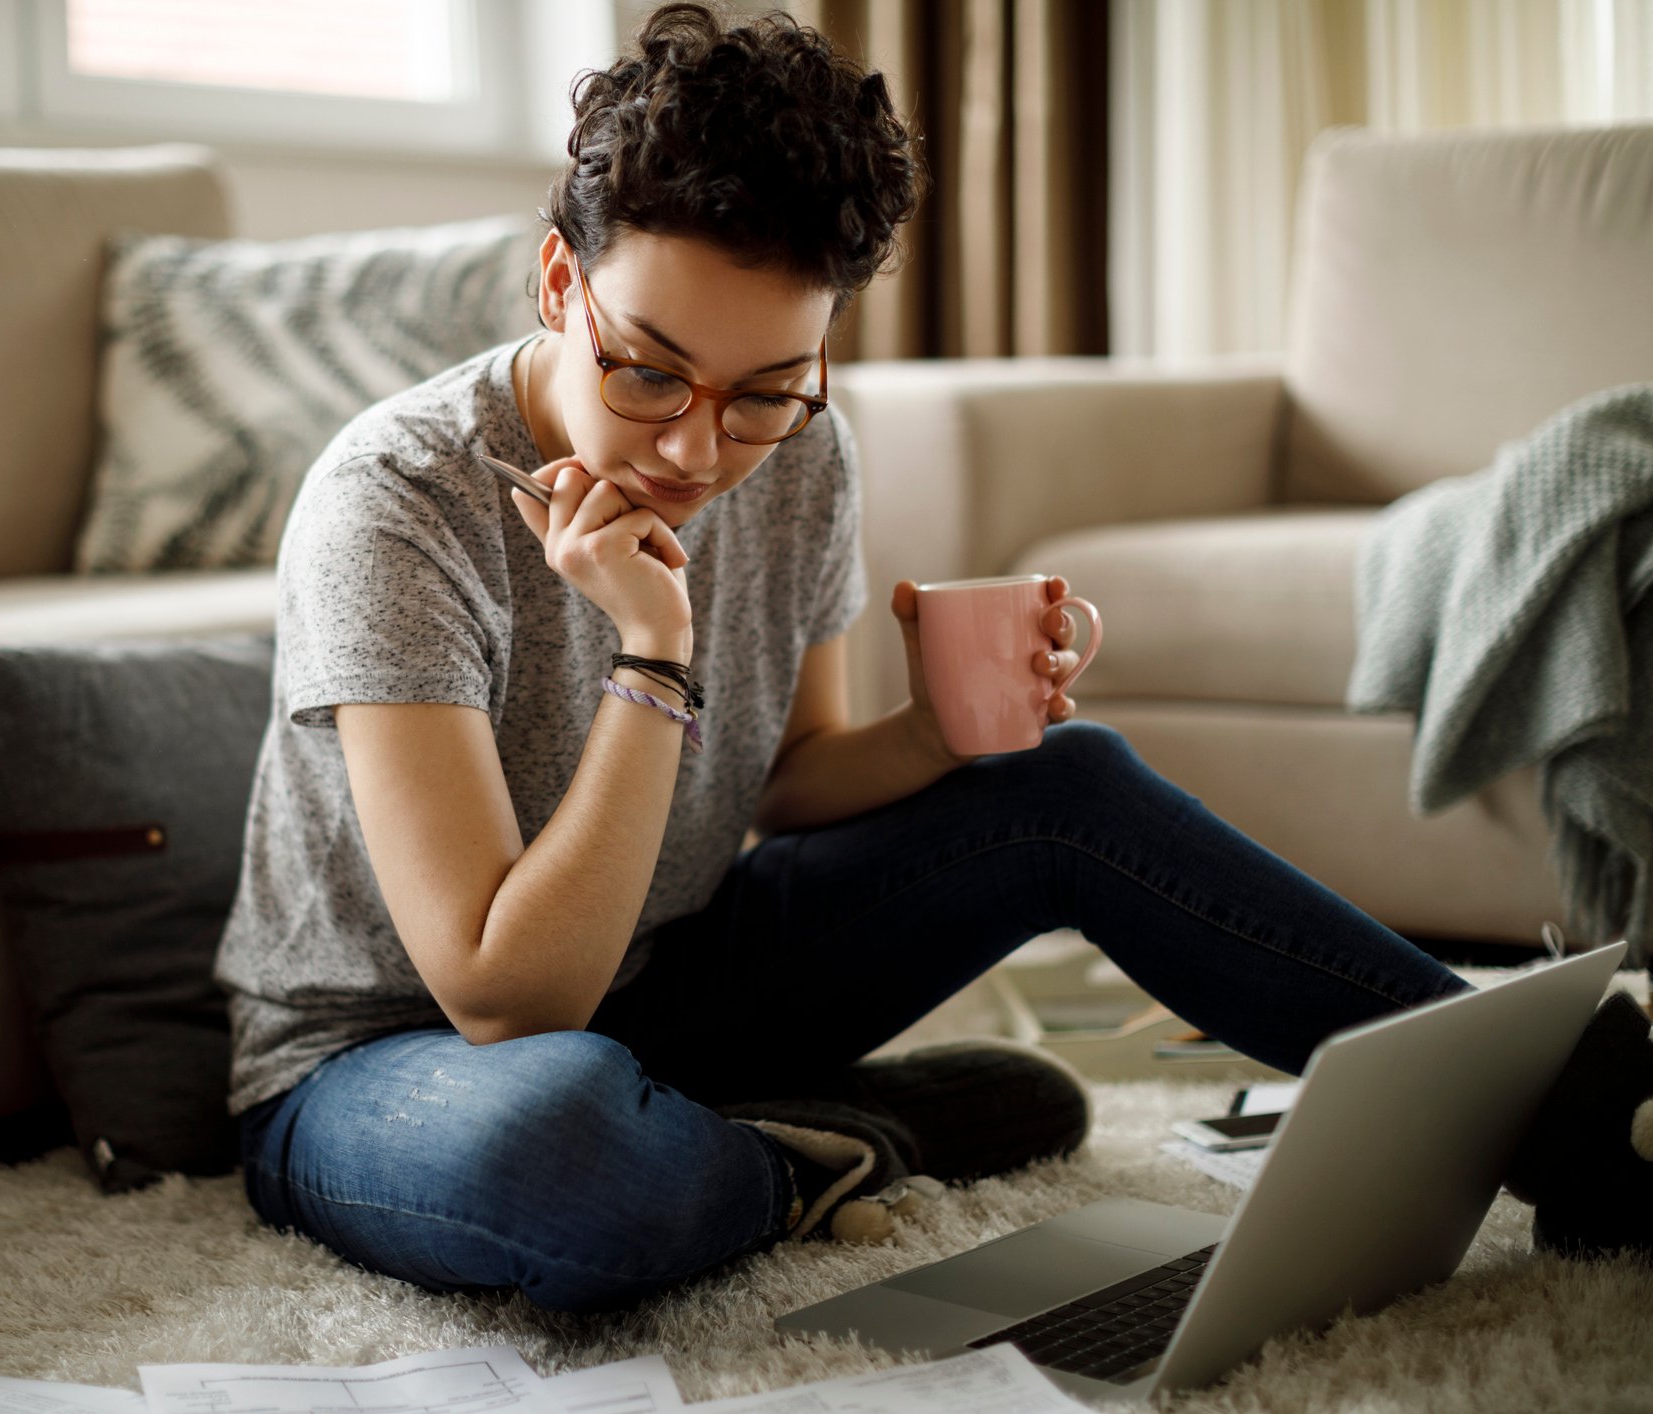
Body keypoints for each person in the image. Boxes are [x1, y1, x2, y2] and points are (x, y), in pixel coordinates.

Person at [215, 3, 1470, 1312]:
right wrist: (652, 655)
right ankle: (841, 1140)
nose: (698, 451)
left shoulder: (806, 448)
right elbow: (503, 994)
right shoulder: (398, 500)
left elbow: (792, 778)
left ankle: (1570, 1103)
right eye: (647, 372)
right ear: (556, 285)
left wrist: (937, 731)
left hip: (667, 978)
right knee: (563, 1155)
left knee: (1068, 786)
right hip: (381, 1059)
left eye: (765, 389)